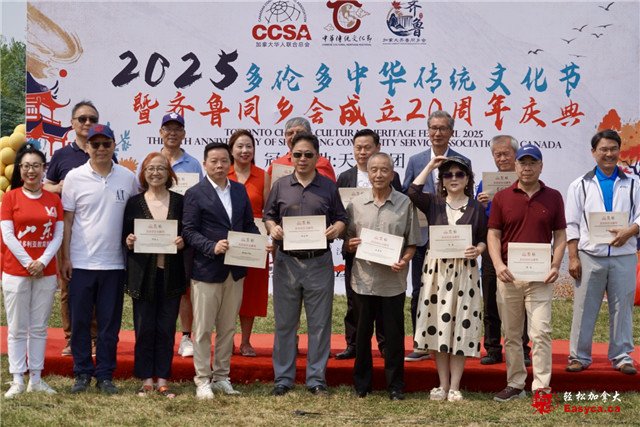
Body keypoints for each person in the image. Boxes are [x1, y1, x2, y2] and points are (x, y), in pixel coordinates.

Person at [264, 132, 347, 396]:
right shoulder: (280, 186)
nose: (302, 159)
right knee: (285, 323)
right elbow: (268, 215)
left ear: (317, 157)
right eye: (297, 154)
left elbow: (341, 217)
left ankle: (316, 379)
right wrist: (273, 228)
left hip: (318, 261)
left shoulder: (328, 186)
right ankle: (283, 379)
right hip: (286, 261)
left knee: (319, 324)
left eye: (308, 155)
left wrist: (337, 229)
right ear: (290, 156)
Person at [61, 124, 138, 394]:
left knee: (109, 325)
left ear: (115, 146)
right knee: (80, 322)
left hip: (114, 264)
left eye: (106, 144)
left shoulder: (128, 177)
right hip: (81, 263)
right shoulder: (74, 178)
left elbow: (137, 216)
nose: (101, 149)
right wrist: (65, 258)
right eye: (95, 145)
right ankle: (82, 372)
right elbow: (67, 222)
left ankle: (105, 374)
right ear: (87, 147)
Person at [182, 142, 262, 399]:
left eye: (224, 161)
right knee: (204, 329)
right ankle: (202, 380)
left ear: (230, 164)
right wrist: (211, 247)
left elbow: (248, 224)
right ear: (205, 164)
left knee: (227, 328)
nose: (219, 165)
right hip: (206, 270)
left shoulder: (239, 190)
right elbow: (189, 231)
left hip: (235, 270)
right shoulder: (195, 193)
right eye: (214, 161)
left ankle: (221, 377)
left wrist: (258, 243)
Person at [488, 145, 567, 401]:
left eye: (533, 162)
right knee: (511, 334)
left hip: (540, 277)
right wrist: (498, 265)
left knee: (540, 332)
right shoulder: (502, 197)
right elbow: (493, 234)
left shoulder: (553, 196)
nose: (527, 167)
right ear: (516, 166)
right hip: (509, 276)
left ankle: (542, 387)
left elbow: (560, 235)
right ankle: (515, 384)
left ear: (541, 166)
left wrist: (555, 265)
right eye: (523, 162)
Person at [409, 156, 487, 402]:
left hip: (464, 273)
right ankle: (442, 385)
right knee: (438, 327)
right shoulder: (433, 203)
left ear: (468, 179)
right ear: (441, 180)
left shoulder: (476, 207)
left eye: (459, 174)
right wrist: (431, 166)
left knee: (460, 326)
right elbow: (412, 192)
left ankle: (455, 386)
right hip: (437, 274)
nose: (453, 178)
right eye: (448, 174)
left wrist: (478, 250)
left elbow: (483, 238)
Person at [344, 152, 420, 401]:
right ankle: (362, 384)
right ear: (367, 173)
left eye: (384, 170)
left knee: (394, 337)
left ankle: (395, 385)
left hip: (392, 282)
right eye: (374, 169)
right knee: (362, 335)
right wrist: (350, 245)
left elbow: (412, 243)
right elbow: (347, 241)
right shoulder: (356, 204)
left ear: (392, 174)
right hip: (363, 280)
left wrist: (404, 260)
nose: (378, 174)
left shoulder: (405, 204)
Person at [565, 129, 639, 375]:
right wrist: (573, 257)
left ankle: (622, 356)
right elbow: (571, 224)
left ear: (619, 151)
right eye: (603, 149)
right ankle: (579, 356)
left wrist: (630, 231)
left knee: (623, 308)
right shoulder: (579, 185)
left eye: (613, 149)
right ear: (593, 152)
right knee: (584, 308)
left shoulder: (634, 183)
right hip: (590, 256)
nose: (609, 154)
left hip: (624, 256)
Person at [402, 110, 471, 362]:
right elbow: (406, 193)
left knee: (451, 293)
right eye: (433, 128)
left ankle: (449, 342)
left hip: (452, 239)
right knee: (419, 291)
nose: (437, 133)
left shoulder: (462, 160)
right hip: (422, 238)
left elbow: (467, 197)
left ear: (451, 132)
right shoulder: (416, 160)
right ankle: (420, 344)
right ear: (428, 130)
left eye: (442, 128)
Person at [1, 143, 64, 398]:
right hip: (15, 271)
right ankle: (17, 378)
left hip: (45, 272)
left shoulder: (53, 199)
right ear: (19, 169)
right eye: (26, 166)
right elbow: (8, 235)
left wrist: (43, 262)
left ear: (43, 169)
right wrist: (29, 262)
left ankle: (36, 378)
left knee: (39, 327)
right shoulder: (11, 197)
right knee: (17, 327)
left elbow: (58, 234)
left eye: (36, 166)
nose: (31, 171)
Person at [123, 153, 187, 398]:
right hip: (143, 275)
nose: (155, 173)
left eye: (161, 168)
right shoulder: (134, 202)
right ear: (143, 173)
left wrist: (183, 242)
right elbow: (124, 235)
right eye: (150, 168)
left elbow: (188, 232)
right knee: (144, 328)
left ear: (169, 173)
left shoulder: (180, 202)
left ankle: (162, 378)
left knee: (166, 328)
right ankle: (146, 379)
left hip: (170, 274)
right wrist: (129, 241)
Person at [335, 129, 402, 360]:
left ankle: (384, 345)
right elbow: (339, 214)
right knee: (354, 302)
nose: (362, 152)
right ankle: (353, 344)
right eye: (358, 148)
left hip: (385, 250)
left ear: (378, 148)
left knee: (384, 302)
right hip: (356, 249)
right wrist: (346, 241)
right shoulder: (345, 177)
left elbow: (399, 211)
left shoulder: (392, 177)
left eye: (367, 147)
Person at [43, 100, 102, 357]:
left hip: (97, 231)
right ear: (72, 123)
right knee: (68, 288)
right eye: (82, 119)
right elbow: (46, 186)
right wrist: (60, 188)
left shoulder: (103, 150)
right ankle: (70, 338)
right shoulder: (62, 155)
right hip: (67, 230)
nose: (87, 123)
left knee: (96, 290)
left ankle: (95, 338)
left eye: (92, 119)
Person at [475, 135, 531, 366]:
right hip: (492, 245)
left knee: (521, 299)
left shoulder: (527, 180)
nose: (502, 158)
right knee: (490, 298)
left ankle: (522, 349)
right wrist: (480, 206)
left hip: (519, 245)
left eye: (506, 153)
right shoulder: (485, 183)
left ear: (516, 154)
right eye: (497, 155)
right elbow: (477, 218)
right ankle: (492, 348)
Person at [153, 112, 203, 359]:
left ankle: (185, 337)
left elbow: (198, 201)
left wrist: (187, 234)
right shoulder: (152, 161)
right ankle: (158, 335)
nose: (172, 133)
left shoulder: (193, 164)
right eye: (168, 128)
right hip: (155, 237)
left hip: (183, 238)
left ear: (184, 134)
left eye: (177, 129)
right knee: (156, 287)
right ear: (160, 132)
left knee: (184, 289)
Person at [227, 129, 270, 357]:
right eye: (240, 146)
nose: (245, 151)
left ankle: (245, 341)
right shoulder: (223, 173)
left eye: (249, 146)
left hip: (254, 241)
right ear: (231, 149)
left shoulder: (263, 176)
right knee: (226, 290)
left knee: (250, 292)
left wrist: (269, 236)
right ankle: (226, 340)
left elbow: (268, 212)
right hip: (227, 241)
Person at [267, 117, 336, 182]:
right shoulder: (277, 164)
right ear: (285, 136)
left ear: (310, 134)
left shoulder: (323, 163)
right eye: (290, 133)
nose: (294, 136)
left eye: (300, 132)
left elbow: (331, 188)